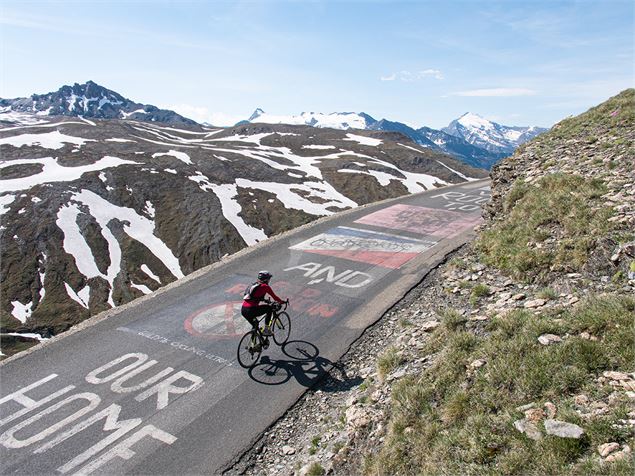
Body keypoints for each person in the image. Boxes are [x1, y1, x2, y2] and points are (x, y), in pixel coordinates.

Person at [241, 270, 285, 336]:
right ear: (266, 279)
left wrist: (265, 300)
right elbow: (275, 297)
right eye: (269, 279)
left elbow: (254, 297)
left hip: (244, 310)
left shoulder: (254, 285)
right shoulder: (265, 286)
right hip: (251, 309)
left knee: (255, 326)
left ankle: (252, 345)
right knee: (269, 308)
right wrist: (282, 302)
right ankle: (267, 330)